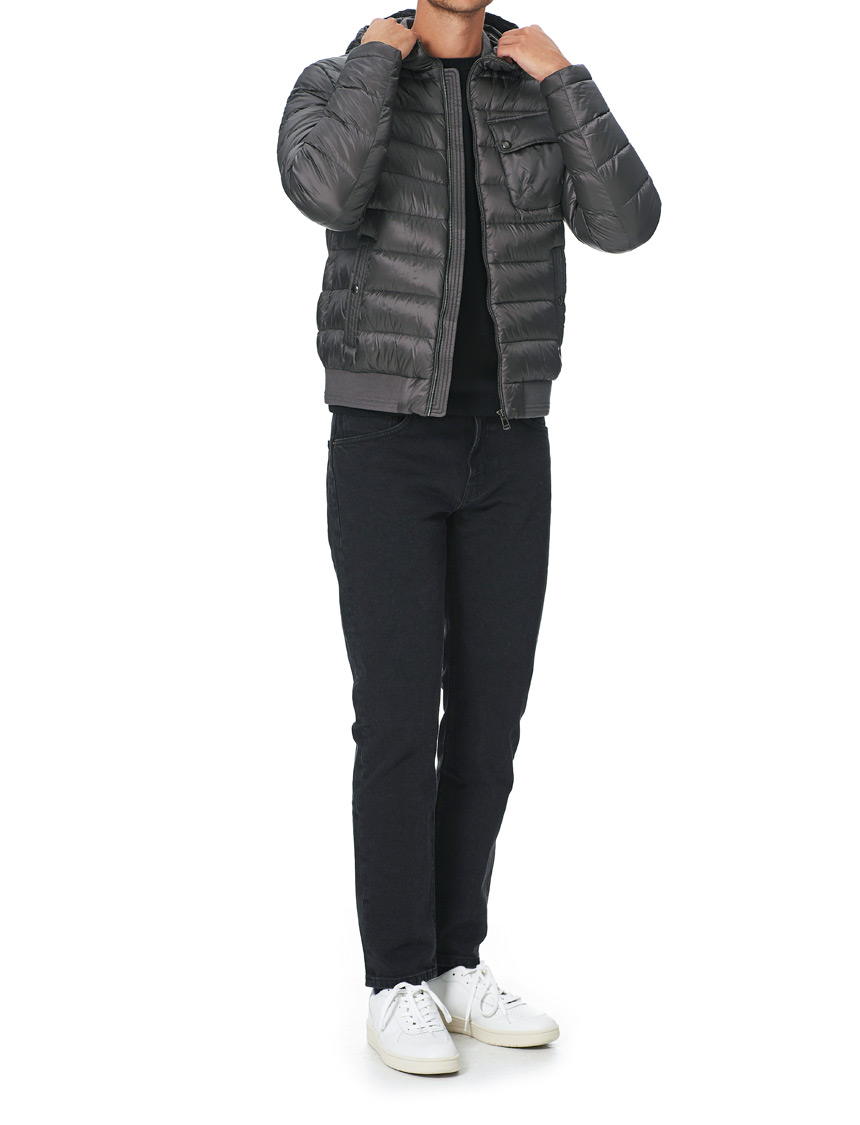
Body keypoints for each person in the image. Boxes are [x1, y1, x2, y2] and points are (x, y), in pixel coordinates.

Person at [276, 3, 661, 1075]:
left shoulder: (530, 88)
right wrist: (374, 61)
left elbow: (628, 222)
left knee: (490, 722)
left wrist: (566, 78)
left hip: (512, 440)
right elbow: (323, 191)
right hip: (385, 440)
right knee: (400, 721)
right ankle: (396, 977)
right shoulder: (337, 79)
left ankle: (456, 961)